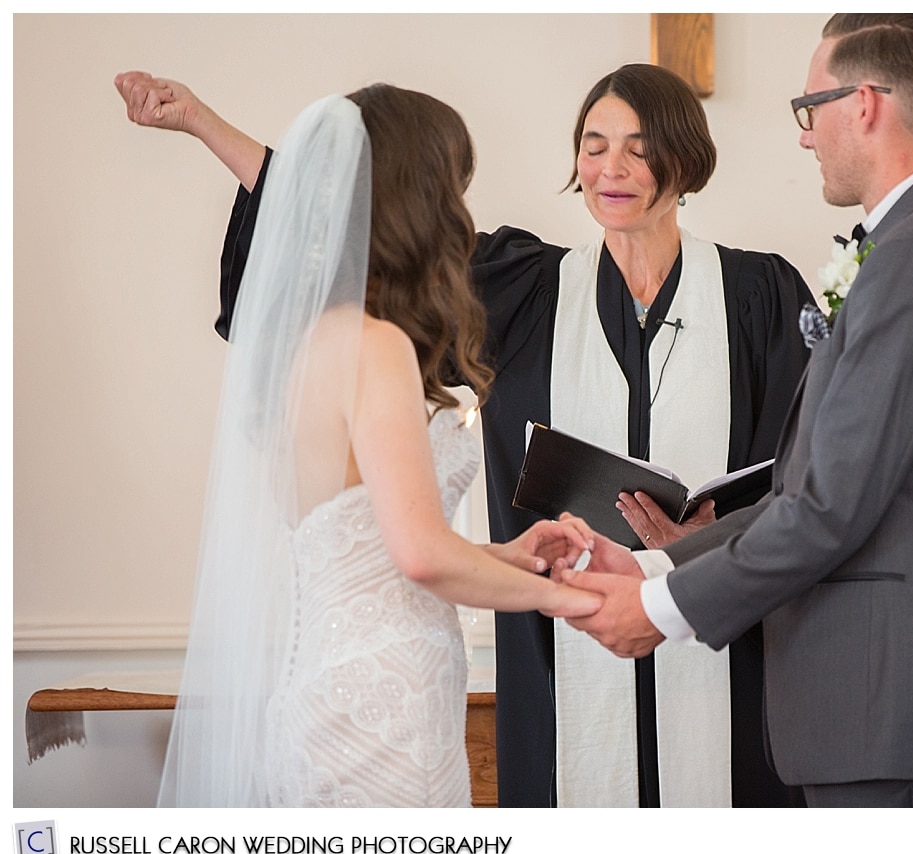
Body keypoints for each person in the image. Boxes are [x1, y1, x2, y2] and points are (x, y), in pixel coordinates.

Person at [115, 63, 811, 808]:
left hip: (716, 635)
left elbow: (808, 473)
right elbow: (346, 215)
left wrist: (710, 536)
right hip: (559, 660)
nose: (611, 167)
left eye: (638, 148)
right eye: (593, 143)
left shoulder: (759, 296)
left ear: (685, 158)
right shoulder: (525, 288)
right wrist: (201, 122)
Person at [560, 13, 913, 808]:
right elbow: (818, 491)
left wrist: (657, 610)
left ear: (866, 104)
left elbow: (828, 510)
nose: (805, 136)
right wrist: (659, 561)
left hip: (896, 713)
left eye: (810, 107)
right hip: (893, 712)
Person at [141, 84, 601, 807]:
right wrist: (569, 601)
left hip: (328, 685)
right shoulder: (375, 345)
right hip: (385, 703)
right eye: (452, 185)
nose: (461, 209)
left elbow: (367, 552)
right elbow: (419, 555)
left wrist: (502, 557)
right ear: (414, 199)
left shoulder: (301, 346)